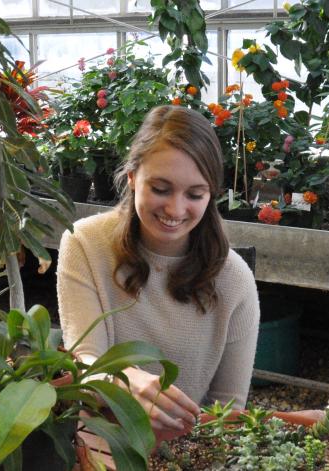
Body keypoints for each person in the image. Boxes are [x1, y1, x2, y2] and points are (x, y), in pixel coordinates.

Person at [57, 105, 260, 440]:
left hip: (187, 450)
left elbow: (228, 414)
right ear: (133, 177)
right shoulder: (85, 244)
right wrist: (121, 378)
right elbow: (84, 364)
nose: (175, 209)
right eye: (160, 189)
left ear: (210, 195)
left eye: (195, 194)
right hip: (96, 442)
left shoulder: (234, 279)